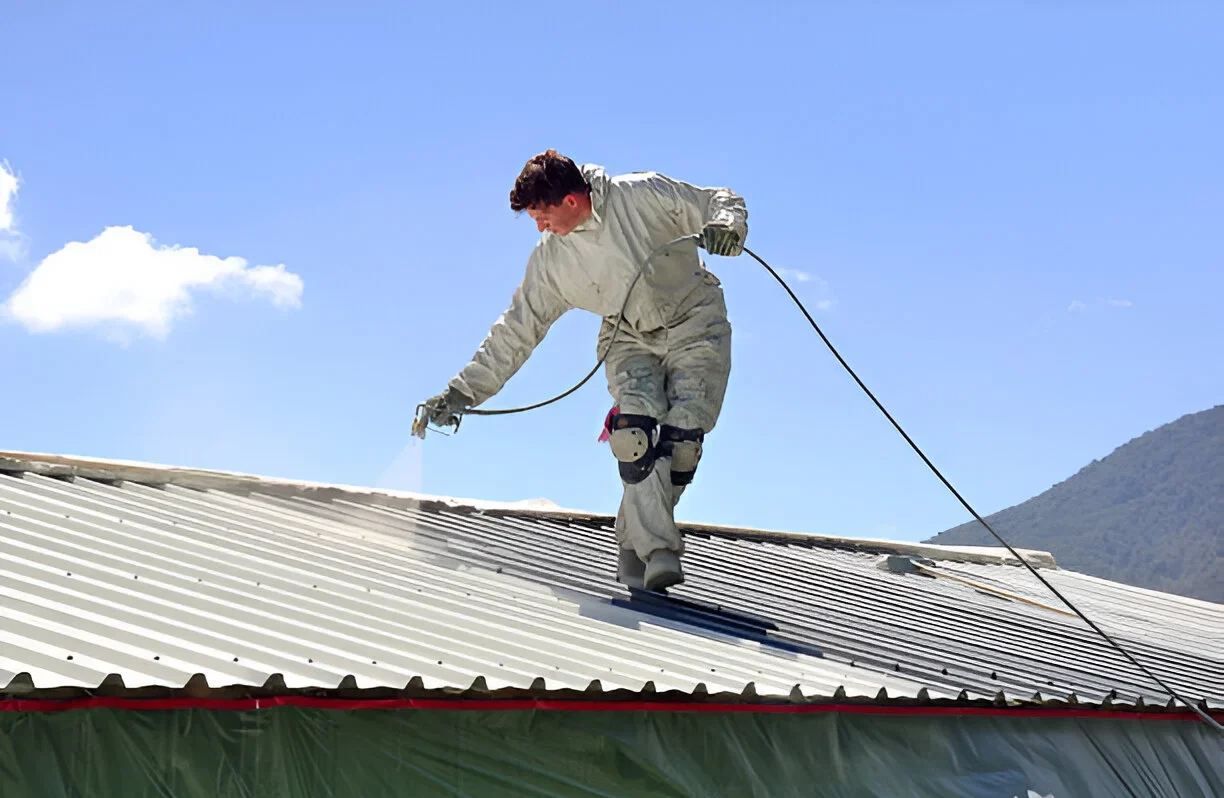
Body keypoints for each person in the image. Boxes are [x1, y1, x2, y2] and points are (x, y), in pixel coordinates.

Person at [417, 150, 747, 592]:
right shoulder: (552, 261)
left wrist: (727, 227)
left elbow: (717, 199)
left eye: (543, 215)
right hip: (626, 334)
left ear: (571, 200)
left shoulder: (641, 194)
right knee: (633, 435)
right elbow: (516, 330)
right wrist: (461, 393)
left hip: (695, 320)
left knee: (682, 441)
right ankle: (660, 551)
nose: (540, 227)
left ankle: (631, 544)